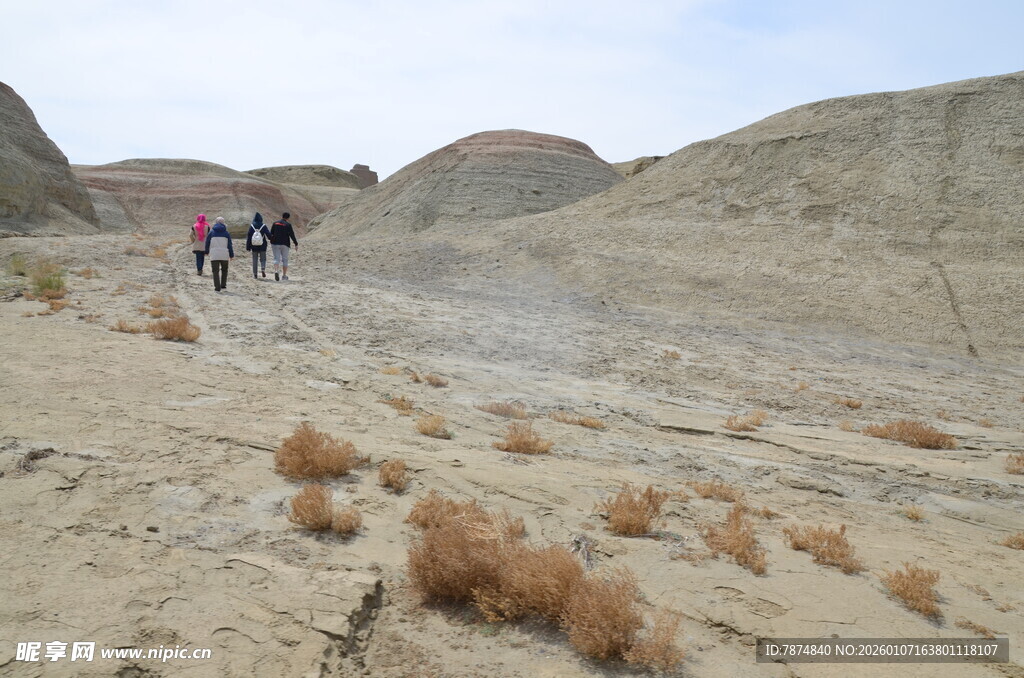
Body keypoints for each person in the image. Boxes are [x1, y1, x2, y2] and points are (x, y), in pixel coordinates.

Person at [204, 217, 234, 292]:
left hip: (214, 254)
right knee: (224, 270)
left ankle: (217, 287)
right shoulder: (226, 233)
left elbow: (207, 242)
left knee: (215, 271)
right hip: (224, 254)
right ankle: (223, 285)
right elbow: (229, 245)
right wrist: (231, 255)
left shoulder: (211, 232)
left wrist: (206, 251)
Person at [269, 212, 298, 281]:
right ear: (288, 218)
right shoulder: (288, 225)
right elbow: (292, 235)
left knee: (276, 258)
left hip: (275, 243)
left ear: (282, 216)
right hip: (285, 244)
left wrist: (271, 241)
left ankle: (276, 271)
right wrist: (296, 243)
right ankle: (284, 276)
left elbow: (271, 233)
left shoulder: (275, 223)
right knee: (285, 259)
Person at [245, 212, 271, 279]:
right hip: (262, 244)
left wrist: (248, 247)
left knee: (255, 259)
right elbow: (268, 234)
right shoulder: (263, 225)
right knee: (263, 258)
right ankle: (263, 268)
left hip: (254, 245)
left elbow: (249, 237)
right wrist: (272, 238)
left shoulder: (252, 226)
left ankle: (255, 274)